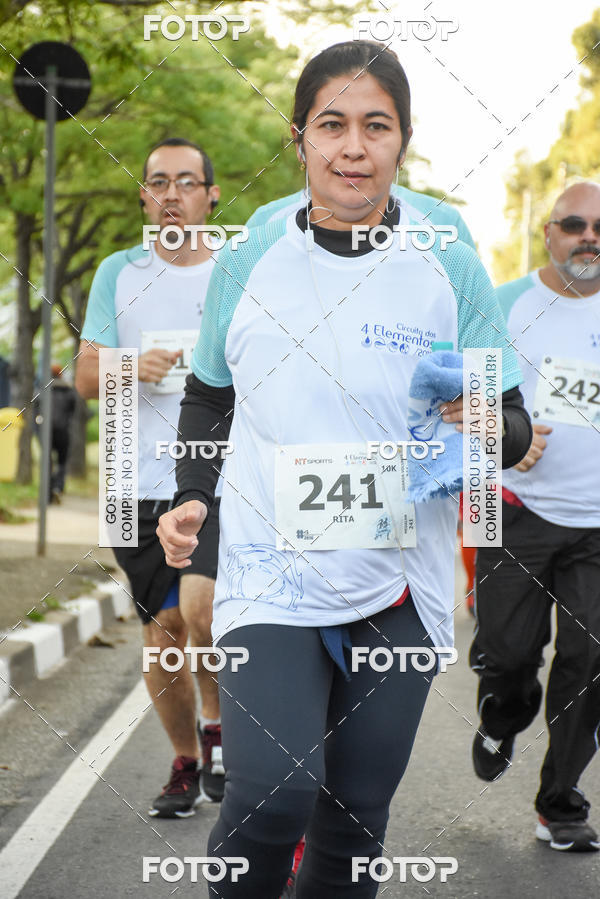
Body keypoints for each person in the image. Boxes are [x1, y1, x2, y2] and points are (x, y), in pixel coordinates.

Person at [157, 41, 530, 897]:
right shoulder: (250, 256)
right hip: (269, 572)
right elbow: (210, 395)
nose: (353, 148)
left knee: (355, 816)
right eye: (332, 125)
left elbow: (512, 426)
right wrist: (191, 495)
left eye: (376, 126)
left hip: (399, 582)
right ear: (300, 137)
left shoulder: (450, 261)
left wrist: (480, 416)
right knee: (272, 794)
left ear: (404, 141)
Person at [75, 138, 226, 818]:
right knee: (162, 631)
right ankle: (187, 760)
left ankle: (218, 728)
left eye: (186, 182)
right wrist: (130, 365)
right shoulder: (119, 272)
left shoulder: (234, 272)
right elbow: (84, 376)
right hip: (133, 482)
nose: (172, 194)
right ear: (144, 196)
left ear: (210, 196)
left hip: (217, 478)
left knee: (202, 610)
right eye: (159, 182)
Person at [470, 181, 600, 852]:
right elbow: (463, 397)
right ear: (549, 233)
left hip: (596, 524)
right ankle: (503, 709)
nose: (589, 237)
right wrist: (501, 435)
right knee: (509, 653)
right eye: (574, 224)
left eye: (599, 228)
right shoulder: (504, 304)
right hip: (514, 509)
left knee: (590, 658)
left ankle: (560, 801)